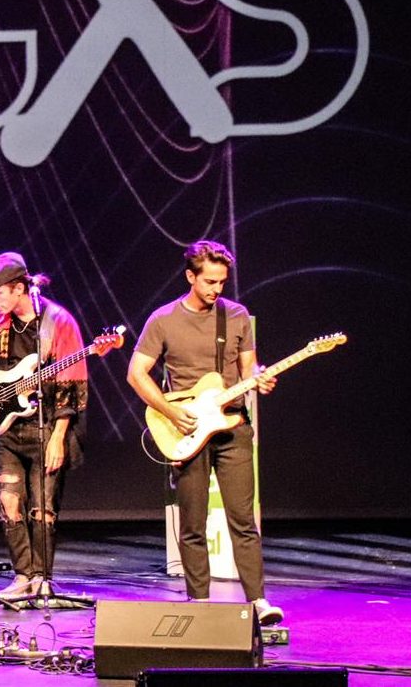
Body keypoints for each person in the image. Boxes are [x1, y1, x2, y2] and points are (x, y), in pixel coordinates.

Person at [125, 240, 284, 626]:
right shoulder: (163, 320)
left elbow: (248, 368)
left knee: (243, 520)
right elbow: (136, 374)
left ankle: (259, 602)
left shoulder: (236, 315)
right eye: (209, 281)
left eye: (222, 282)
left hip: (233, 427)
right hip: (189, 429)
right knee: (192, 522)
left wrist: (259, 379)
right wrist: (171, 412)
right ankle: (199, 603)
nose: (216, 289)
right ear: (190, 277)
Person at [0, 252, 87, 598]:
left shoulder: (58, 322)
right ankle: (23, 576)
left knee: (43, 508)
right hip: (8, 428)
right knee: (9, 502)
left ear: (19, 288)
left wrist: (59, 437)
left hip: (47, 427)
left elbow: (71, 383)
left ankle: (42, 579)